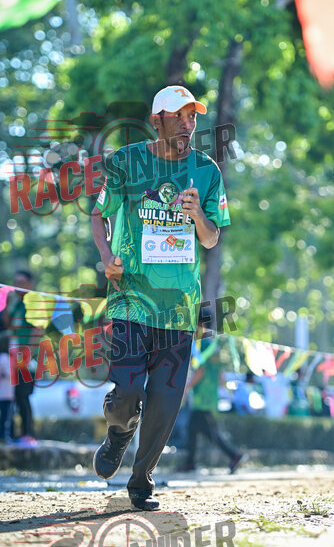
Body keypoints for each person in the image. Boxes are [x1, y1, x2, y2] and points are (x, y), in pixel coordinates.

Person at [91, 84, 231, 511]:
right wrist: (107, 258)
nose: (188, 124)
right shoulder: (126, 162)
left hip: (178, 308)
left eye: (193, 117)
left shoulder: (206, 170)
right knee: (128, 392)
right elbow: (99, 213)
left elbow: (211, 238)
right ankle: (119, 433)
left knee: (166, 401)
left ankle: (141, 481)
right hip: (131, 299)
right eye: (179, 116)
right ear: (157, 121)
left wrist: (198, 214)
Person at [179, 311, 243, 474]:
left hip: (202, 395)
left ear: (201, 323)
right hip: (210, 393)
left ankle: (234, 455)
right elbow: (220, 373)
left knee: (207, 431)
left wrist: (187, 387)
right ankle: (190, 462)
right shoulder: (214, 344)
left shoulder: (202, 344)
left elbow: (200, 370)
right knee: (195, 428)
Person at [3, 270, 39, 445]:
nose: (18, 286)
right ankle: (11, 433)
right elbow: (8, 325)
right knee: (12, 395)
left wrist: (27, 353)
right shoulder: (16, 303)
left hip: (27, 360)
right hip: (12, 356)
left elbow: (38, 330)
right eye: (16, 282)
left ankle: (28, 434)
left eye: (22, 282)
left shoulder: (35, 303)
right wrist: (6, 305)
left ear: (30, 284)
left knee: (23, 395)